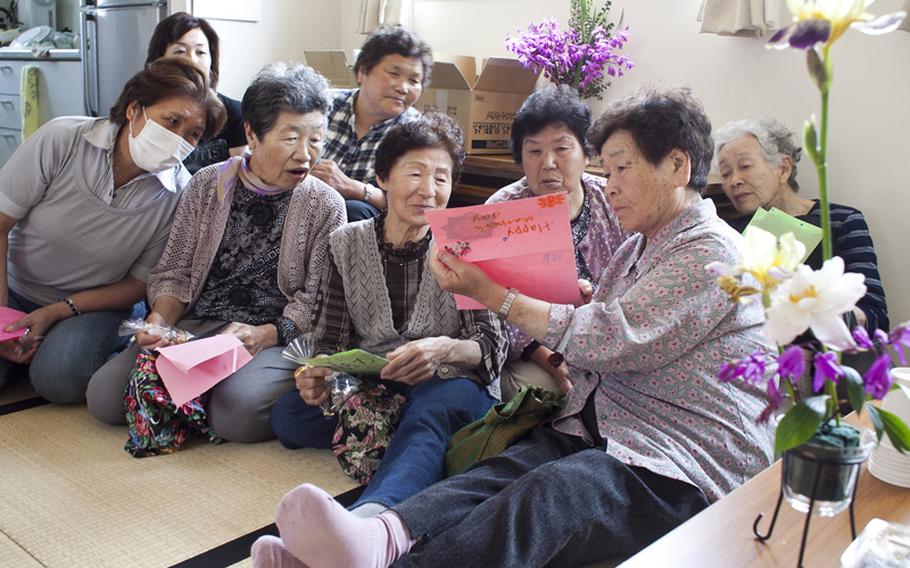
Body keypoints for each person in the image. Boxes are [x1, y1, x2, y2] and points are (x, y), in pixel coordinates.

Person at [250, 87, 776, 568]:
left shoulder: (710, 251)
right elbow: (605, 332)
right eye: (607, 171)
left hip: (678, 457)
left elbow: (604, 337)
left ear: (678, 166)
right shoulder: (640, 243)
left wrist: (495, 297)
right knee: (495, 474)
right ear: (383, 179)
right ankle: (375, 537)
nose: (608, 185)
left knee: (545, 495)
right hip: (605, 423)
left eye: (620, 169)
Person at [86, 63, 346, 443]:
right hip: (201, 325)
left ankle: (196, 398)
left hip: (272, 335)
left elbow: (317, 302)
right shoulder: (208, 185)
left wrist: (266, 333)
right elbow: (175, 270)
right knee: (104, 399)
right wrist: (160, 320)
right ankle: (194, 393)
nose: (305, 155)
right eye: (290, 138)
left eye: (316, 140)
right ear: (252, 135)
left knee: (236, 416)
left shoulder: (326, 205)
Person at [268, 113, 507, 516]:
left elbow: (491, 347)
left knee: (432, 408)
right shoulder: (344, 244)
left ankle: (374, 517)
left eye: (442, 178)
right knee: (288, 416)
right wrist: (321, 376)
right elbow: (332, 342)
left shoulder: (465, 244)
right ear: (382, 177)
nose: (429, 191)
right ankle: (417, 445)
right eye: (415, 174)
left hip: (449, 382)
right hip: (377, 386)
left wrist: (443, 350)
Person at [0, 57, 225, 402]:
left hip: (88, 306)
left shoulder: (180, 192)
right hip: (12, 285)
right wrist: (2, 320)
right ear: (134, 109)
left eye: (192, 134)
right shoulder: (62, 139)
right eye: (171, 121)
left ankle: (74, 344)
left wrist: (59, 310)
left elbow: (138, 283)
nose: (178, 139)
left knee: (59, 379)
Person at [487, 85, 627, 400]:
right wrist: (545, 355)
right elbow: (489, 305)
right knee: (553, 393)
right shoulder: (501, 210)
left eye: (562, 149)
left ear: (586, 153)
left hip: (609, 339)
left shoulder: (614, 199)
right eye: (534, 151)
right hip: (534, 349)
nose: (548, 162)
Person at [715, 118, 888, 332]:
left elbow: (876, 315)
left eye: (745, 166)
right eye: (725, 173)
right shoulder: (729, 233)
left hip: (825, 354)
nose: (734, 181)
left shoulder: (842, 220)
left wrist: (818, 309)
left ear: (783, 168)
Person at [311, 26, 432, 222]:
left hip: (369, 221)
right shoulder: (322, 105)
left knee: (354, 210)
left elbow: (416, 202)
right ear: (362, 72)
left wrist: (356, 189)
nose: (403, 88)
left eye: (414, 80)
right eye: (394, 74)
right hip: (307, 201)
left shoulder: (417, 133)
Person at [146, 11, 247, 173]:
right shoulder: (146, 111)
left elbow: (240, 178)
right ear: (160, 59)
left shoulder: (235, 113)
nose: (192, 60)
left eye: (200, 52)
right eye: (180, 51)